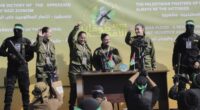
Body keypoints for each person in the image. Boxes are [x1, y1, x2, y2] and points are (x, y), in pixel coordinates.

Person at [0, 24, 34, 110]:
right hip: (11, 68)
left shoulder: (26, 41)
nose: (16, 31)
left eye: (18, 30)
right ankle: (7, 108)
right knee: (9, 90)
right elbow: (1, 51)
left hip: (23, 68)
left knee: (25, 90)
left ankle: (26, 107)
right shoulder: (8, 40)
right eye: (14, 30)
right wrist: (9, 54)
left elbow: (31, 54)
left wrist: (24, 60)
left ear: (22, 31)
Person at [68, 24, 93, 110]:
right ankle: (71, 107)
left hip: (85, 73)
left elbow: (89, 61)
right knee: (74, 91)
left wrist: (91, 71)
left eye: (84, 38)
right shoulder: (74, 45)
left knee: (83, 92)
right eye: (81, 37)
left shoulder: (87, 47)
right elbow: (70, 38)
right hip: (75, 72)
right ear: (78, 37)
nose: (83, 39)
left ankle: (82, 107)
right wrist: (76, 29)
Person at [172, 20, 200, 92]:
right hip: (182, 66)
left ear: (193, 27)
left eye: (191, 26)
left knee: (195, 86)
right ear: (185, 26)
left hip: (194, 66)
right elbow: (175, 52)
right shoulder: (180, 37)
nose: (189, 27)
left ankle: (195, 103)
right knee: (181, 86)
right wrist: (174, 64)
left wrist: (198, 61)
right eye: (187, 26)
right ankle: (181, 102)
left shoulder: (197, 38)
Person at [32, 27, 58, 97]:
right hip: (42, 71)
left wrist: (55, 69)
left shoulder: (51, 44)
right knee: (41, 92)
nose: (51, 34)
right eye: (49, 32)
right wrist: (39, 37)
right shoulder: (38, 43)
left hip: (51, 70)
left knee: (53, 91)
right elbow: (35, 48)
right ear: (44, 33)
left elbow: (54, 58)